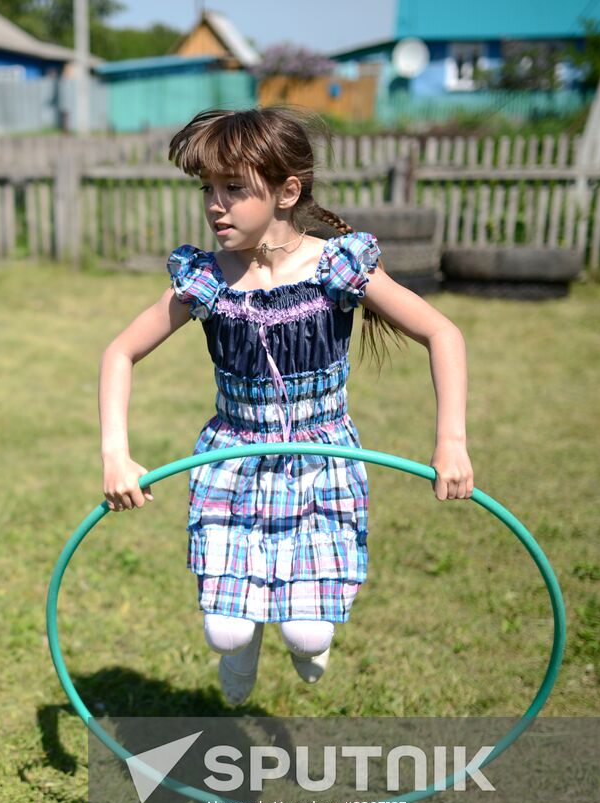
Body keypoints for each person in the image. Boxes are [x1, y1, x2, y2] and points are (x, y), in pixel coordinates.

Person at [97, 105, 474, 704]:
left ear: (285, 191)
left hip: (319, 463)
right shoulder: (205, 279)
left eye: (232, 188)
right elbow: (120, 353)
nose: (214, 204)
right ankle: (238, 655)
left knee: (305, 633)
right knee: (225, 629)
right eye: (207, 189)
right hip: (233, 462)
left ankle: (306, 642)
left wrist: (450, 441)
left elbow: (442, 333)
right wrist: (116, 455)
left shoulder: (336, 266)